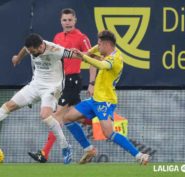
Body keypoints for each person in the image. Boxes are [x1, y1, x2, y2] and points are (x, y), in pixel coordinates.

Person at [0, 33, 74, 164]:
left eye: (33, 51)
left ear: (41, 46)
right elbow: (25, 48)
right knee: (8, 106)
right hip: (35, 85)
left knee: (45, 115)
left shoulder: (55, 50)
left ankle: (65, 147)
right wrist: (18, 58)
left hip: (52, 87)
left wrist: (91, 57)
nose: (32, 53)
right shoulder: (31, 47)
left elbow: (77, 55)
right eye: (30, 51)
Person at [62, 30, 150, 165]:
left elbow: (101, 64)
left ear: (107, 44)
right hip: (95, 99)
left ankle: (139, 155)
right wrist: (78, 54)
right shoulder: (103, 48)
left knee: (108, 133)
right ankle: (89, 149)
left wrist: (83, 57)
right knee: (67, 118)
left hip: (105, 101)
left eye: (99, 44)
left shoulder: (116, 59)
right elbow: (88, 54)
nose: (98, 46)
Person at [28, 8, 97, 164]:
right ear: (61, 21)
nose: (67, 23)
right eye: (64, 20)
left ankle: (44, 153)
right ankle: (93, 139)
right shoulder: (57, 37)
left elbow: (93, 60)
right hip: (59, 81)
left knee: (56, 117)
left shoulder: (82, 38)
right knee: (69, 118)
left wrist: (92, 83)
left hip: (72, 81)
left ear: (75, 20)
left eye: (70, 20)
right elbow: (49, 62)